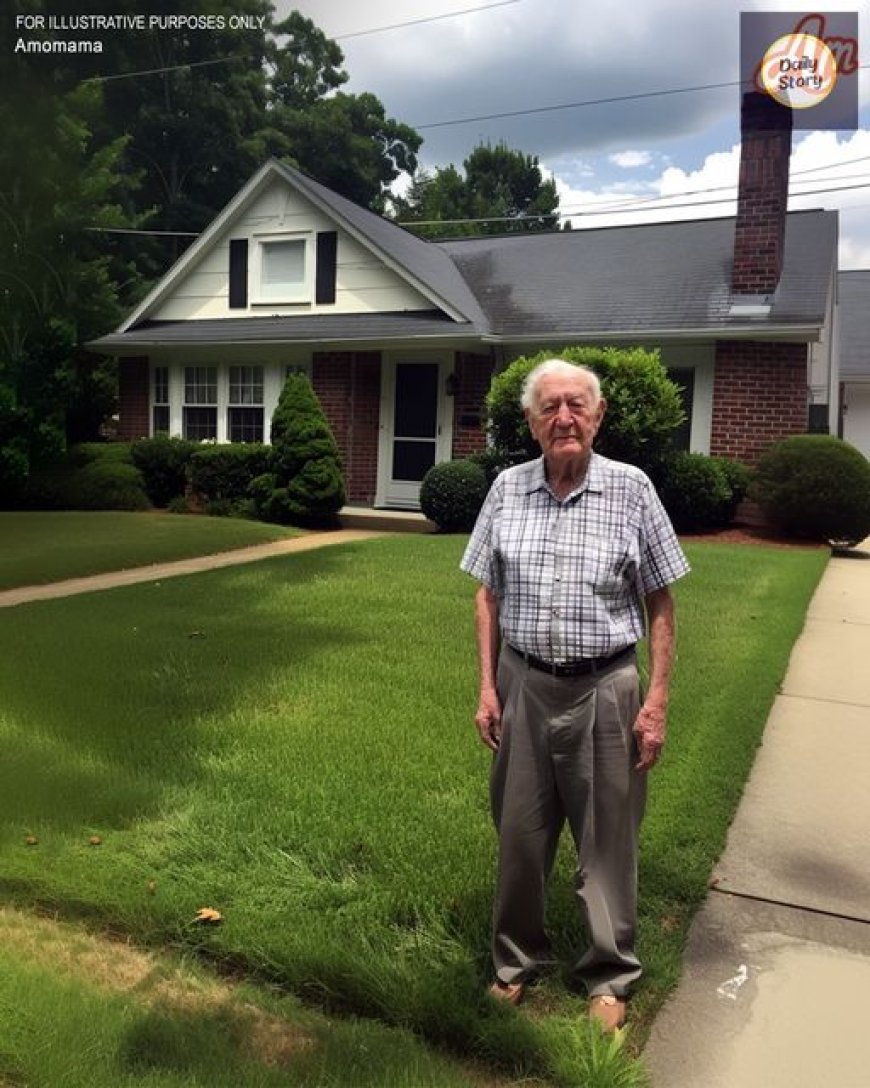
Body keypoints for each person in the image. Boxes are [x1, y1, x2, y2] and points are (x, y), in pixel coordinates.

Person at [460, 358, 689, 1032]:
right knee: (520, 834)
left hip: (607, 687)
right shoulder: (507, 489)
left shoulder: (632, 489)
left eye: (577, 405)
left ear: (598, 416)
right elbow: (486, 593)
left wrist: (657, 702)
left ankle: (608, 975)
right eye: (550, 407)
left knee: (607, 840)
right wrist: (486, 686)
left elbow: (661, 600)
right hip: (523, 683)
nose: (565, 417)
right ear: (531, 423)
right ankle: (515, 962)